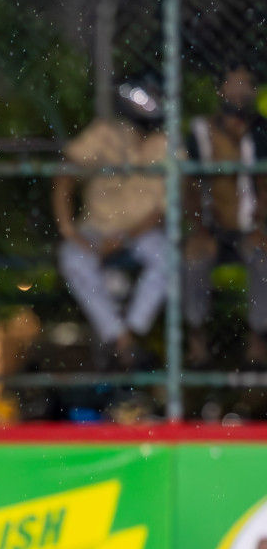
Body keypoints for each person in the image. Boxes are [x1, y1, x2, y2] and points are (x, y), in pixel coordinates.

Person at [53, 82, 170, 369]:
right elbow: (64, 174)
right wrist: (68, 230)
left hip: (141, 232)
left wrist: (121, 239)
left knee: (169, 257)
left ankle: (131, 330)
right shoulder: (105, 132)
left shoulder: (168, 145)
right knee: (71, 258)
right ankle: (120, 338)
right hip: (96, 228)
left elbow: (162, 211)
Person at [184, 66, 267, 366]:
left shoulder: (262, 132)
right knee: (191, 260)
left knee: (263, 256)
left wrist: (259, 226)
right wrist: (198, 229)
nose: (239, 90)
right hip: (209, 226)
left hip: (249, 225)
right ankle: (198, 342)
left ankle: (258, 341)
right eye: (233, 83)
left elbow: (264, 185)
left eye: (246, 83)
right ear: (221, 90)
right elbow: (188, 185)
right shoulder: (201, 132)